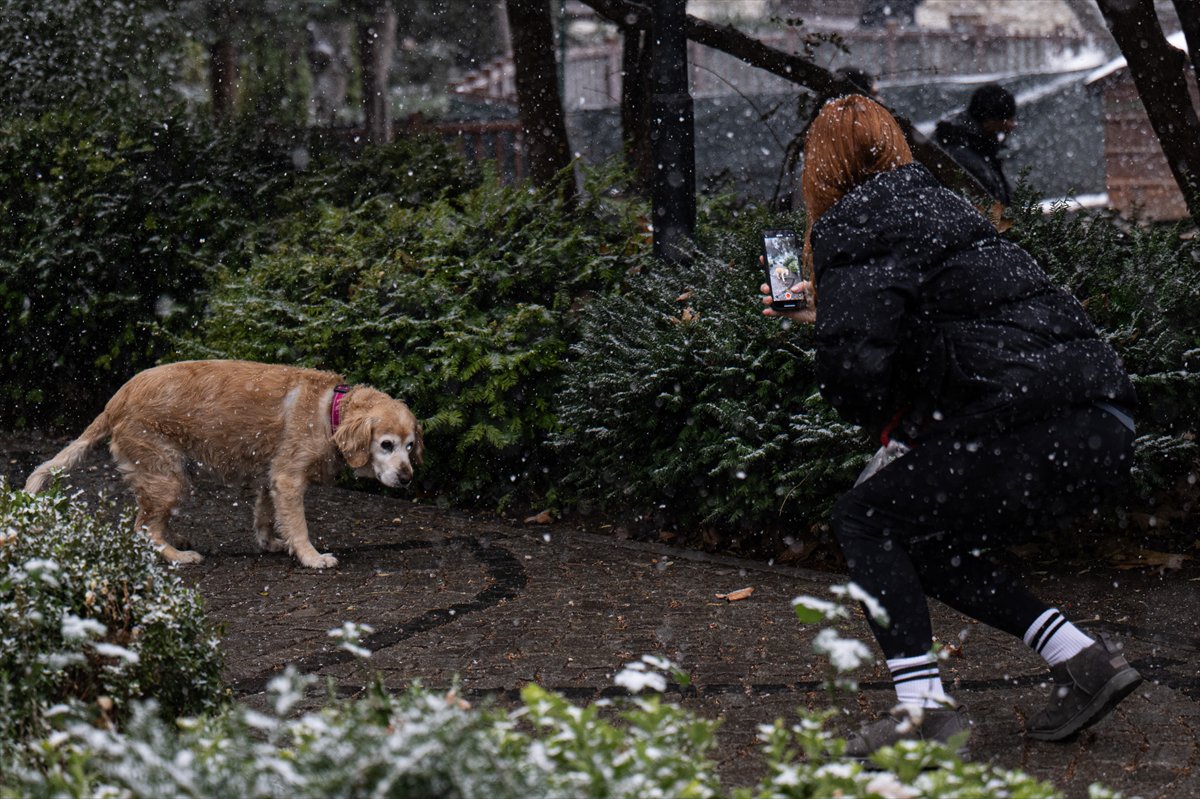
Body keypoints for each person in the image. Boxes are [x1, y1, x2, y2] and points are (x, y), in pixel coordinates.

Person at [760, 95, 1142, 758]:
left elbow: (856, 380)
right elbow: (941, 338)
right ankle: (1084, 661)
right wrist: (835, 313)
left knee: (866, 519)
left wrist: (818, 325)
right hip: (1097, 418)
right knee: (922, 541)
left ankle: (925, 713)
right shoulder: (935, 206)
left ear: (822, 168)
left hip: (1033, 422)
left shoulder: (854, 225)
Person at [934, 82, 1017, 205]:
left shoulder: (977, 150)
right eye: (1007, 123)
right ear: (990, 121)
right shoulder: (966, 158)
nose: (1011, 127)